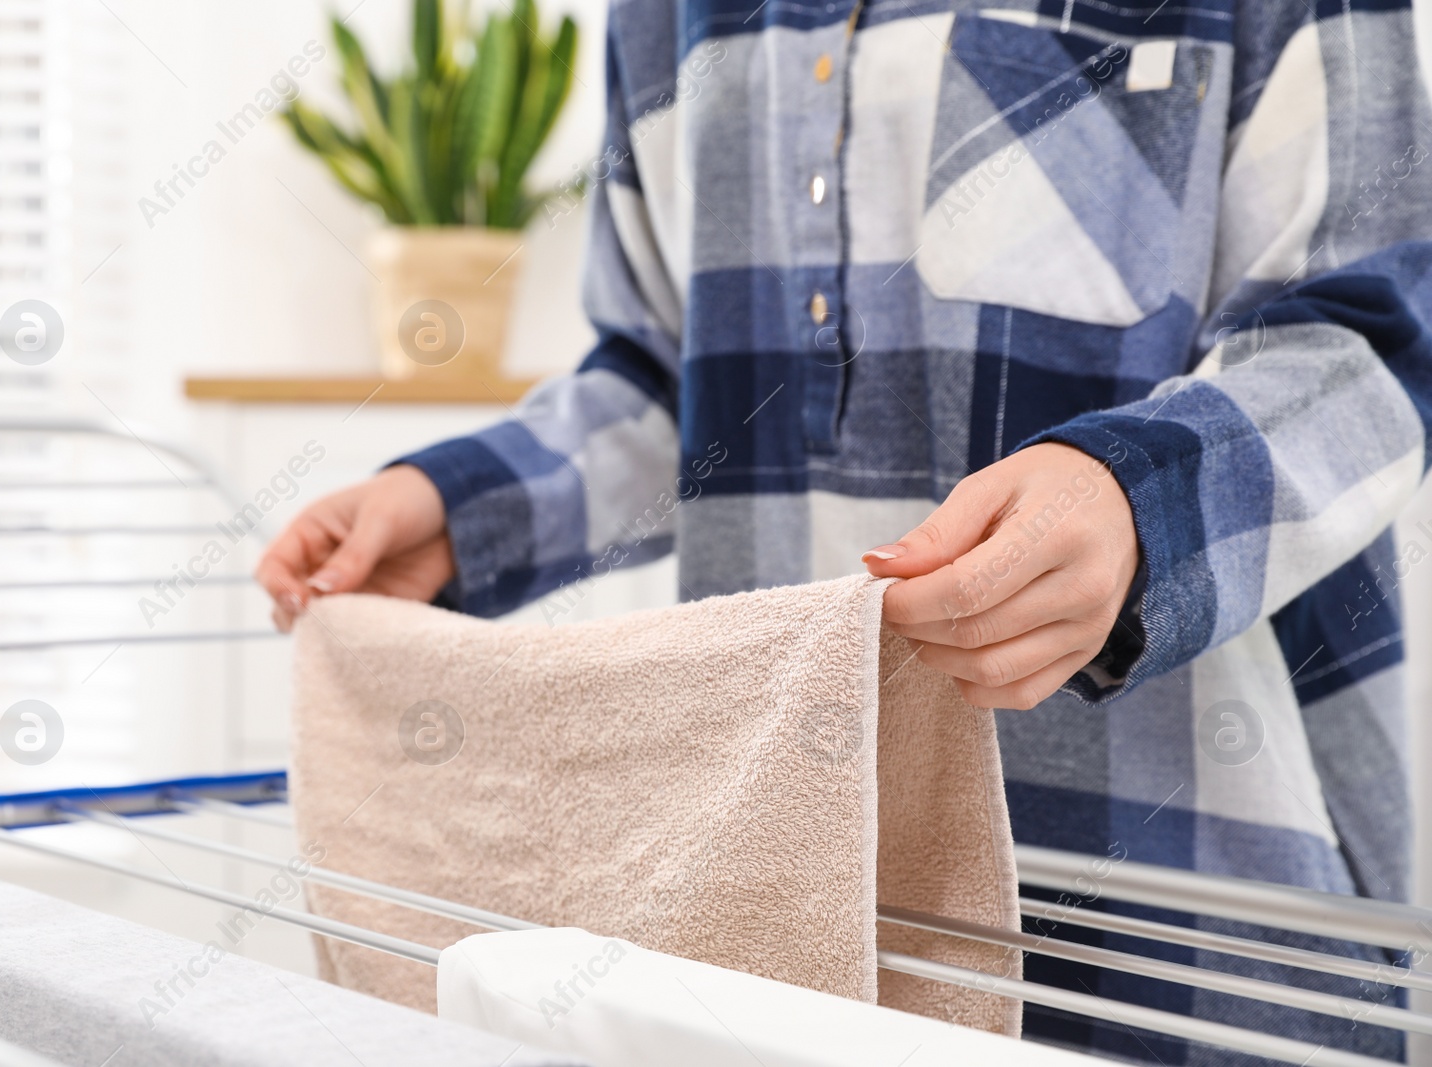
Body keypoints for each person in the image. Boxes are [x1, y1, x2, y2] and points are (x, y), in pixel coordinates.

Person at [261, 2, 1432, 1061]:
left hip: (1197, 906)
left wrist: (1141, 500)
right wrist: (462, 508)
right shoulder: (662, 17)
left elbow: (1377, 328)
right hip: (797, 894)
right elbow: (664, 375)